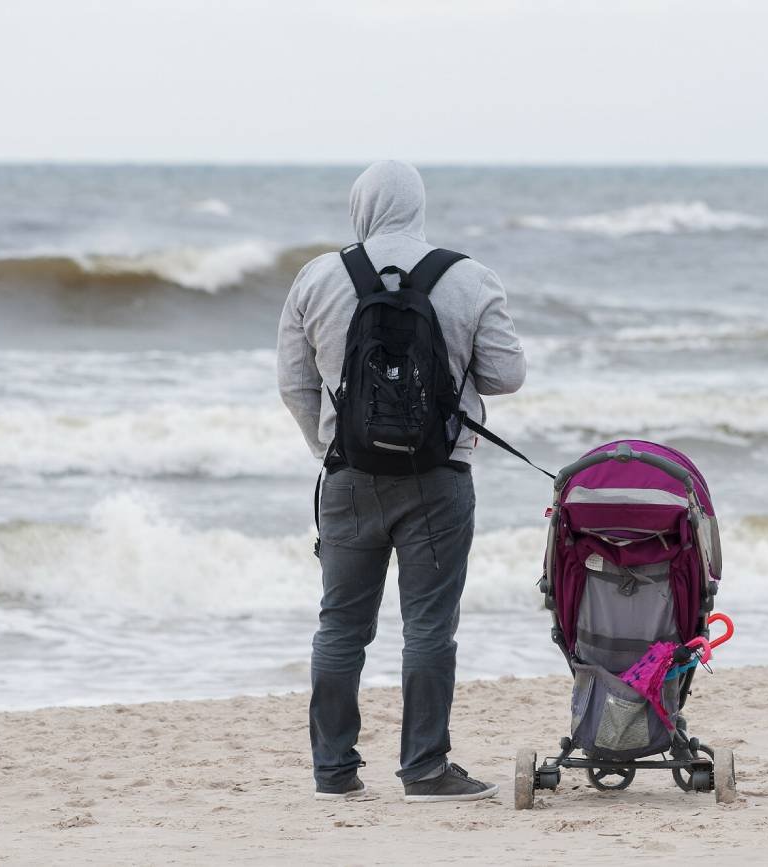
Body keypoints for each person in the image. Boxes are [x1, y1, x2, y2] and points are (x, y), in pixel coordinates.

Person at [277, 160, 526, 803]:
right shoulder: (469, 276)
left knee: (341, 626)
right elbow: (507, 376)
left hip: (349, 476)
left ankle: (334, 772)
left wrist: (328, 446)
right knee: (429, 627)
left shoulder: (318, 276)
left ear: (359, 205)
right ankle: (424, 769)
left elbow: (294, 382)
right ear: (418, 205)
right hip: (439, 477)